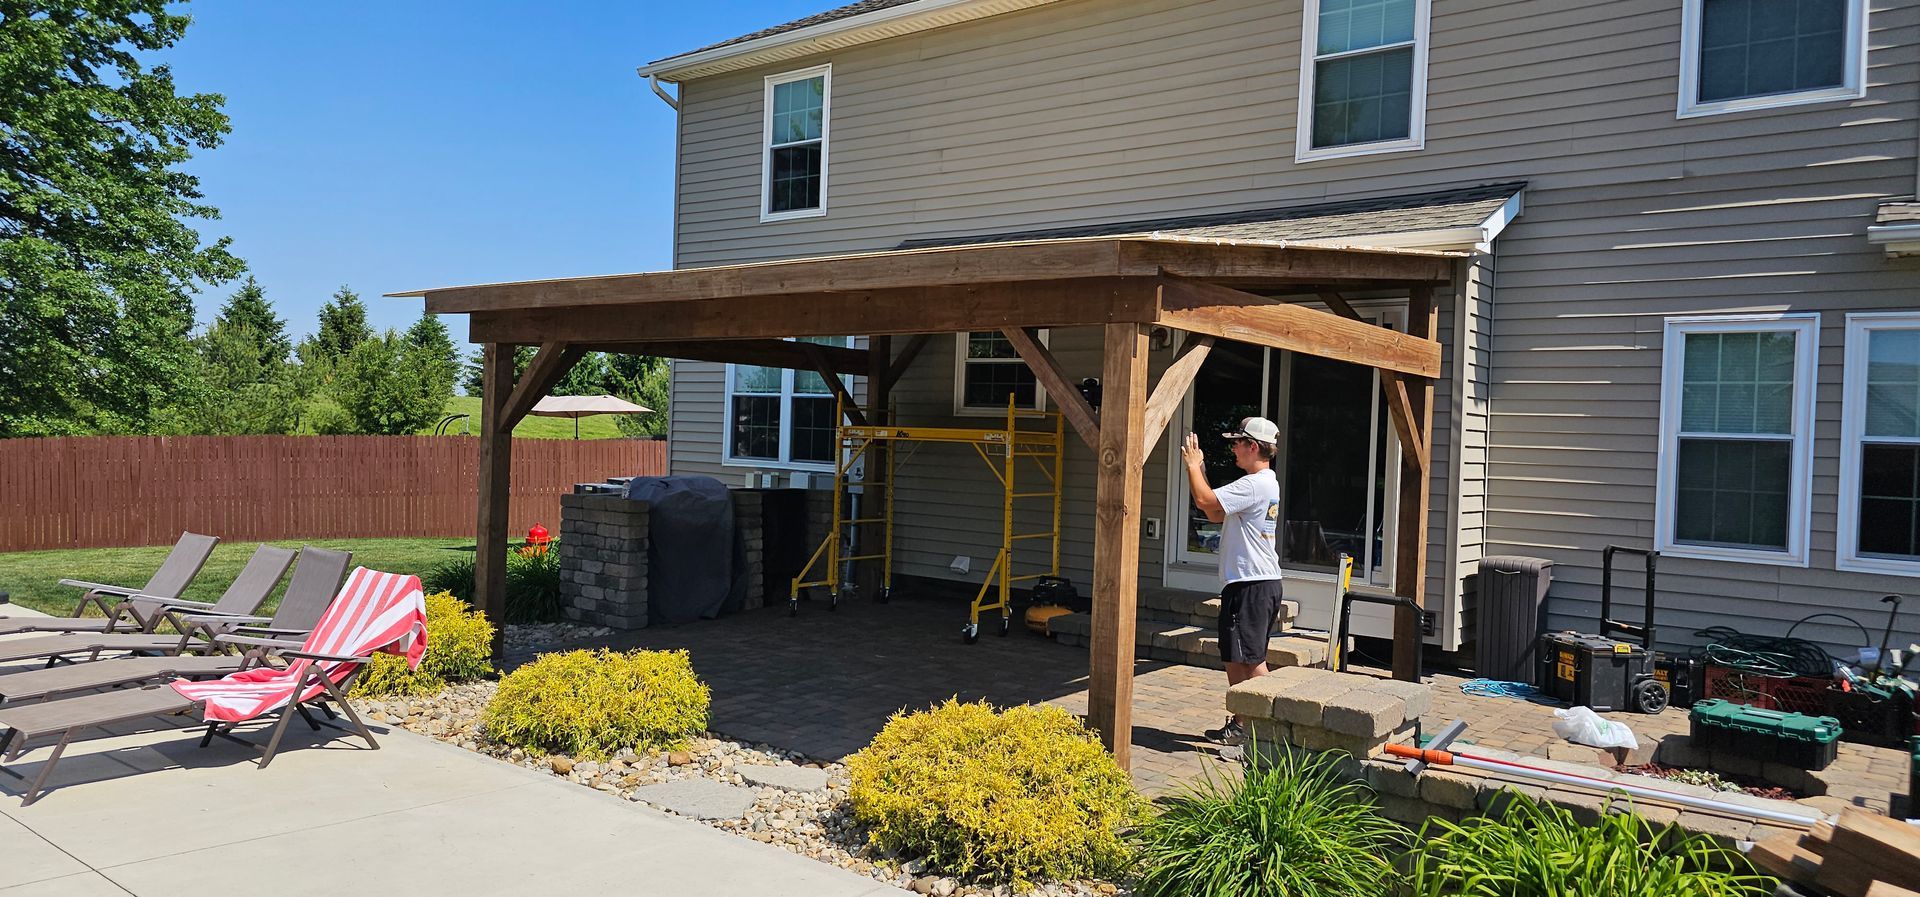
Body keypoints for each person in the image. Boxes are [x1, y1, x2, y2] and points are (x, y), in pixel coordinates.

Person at [1181, 417, 1282, 747]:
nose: (1234, 448)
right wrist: (1199, 472)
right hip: (1249, 584)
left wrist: (1194, 465)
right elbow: (1214, 512)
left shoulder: (1254, 484)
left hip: (1253, 585)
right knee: (1234, 656)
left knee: (1252, 660)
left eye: (1238, 442)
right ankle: (1242, 725)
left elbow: (1203, 502)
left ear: (1253, 447)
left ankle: (1271, 731)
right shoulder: (1261, 484)